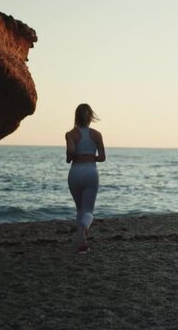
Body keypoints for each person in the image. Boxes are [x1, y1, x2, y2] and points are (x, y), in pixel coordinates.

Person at [65, 104, 106, 254]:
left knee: (80, 208)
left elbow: (70, 151)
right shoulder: (97, 134)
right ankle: (84, 230)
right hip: (90, 172)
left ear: (76, 117)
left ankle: (81, 243)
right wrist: (91, 156)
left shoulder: (70, 134)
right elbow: (102, 158)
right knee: (88, 210)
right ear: (90, 117)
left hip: (75, 172)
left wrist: (70, 156)